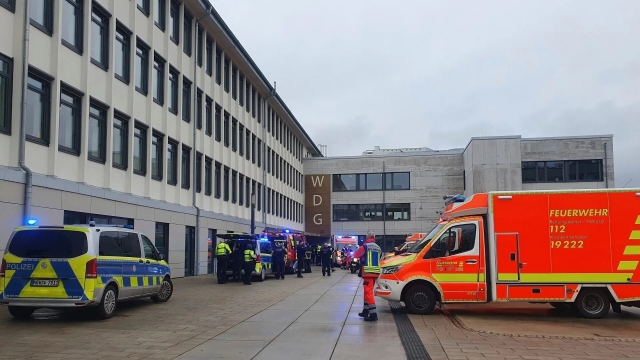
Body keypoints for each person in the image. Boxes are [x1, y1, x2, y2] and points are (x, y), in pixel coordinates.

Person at [354, 230, 382, 322]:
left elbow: (356, 254)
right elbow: (380, 258)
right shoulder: (378, 247)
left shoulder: (365, 246)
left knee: (368, 292)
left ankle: (373, 314)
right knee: (367, 291)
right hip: (375, 272)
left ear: (367, 237)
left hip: (368, 272)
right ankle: (365, 311)